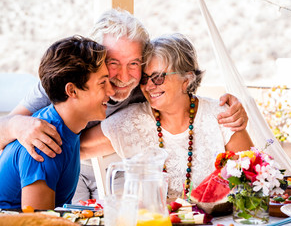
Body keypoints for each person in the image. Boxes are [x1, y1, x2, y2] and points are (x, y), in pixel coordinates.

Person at [0, 9, 248, 202]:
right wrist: (18, 126)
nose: (123, 76)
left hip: (113, 165)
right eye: (113, 62)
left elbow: (179, 92)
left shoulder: (143, 86)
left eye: (134, 63)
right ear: (96, 58)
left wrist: (231, 108)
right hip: (57, 163)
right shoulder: (64, 81)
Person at [81, 33, 254, 197]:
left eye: (158, 77)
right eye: (144, 78)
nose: (149, 86)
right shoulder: (132, 121)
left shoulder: (222, 116)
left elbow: (253, 177)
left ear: (186, 80)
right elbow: (78, 147)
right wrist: (53, 126)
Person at [0, 35, 114, 209]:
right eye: (102, 83)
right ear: (72, 90)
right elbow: (39, 222)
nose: (111, 91)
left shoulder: (68, 127)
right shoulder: (45, 145)